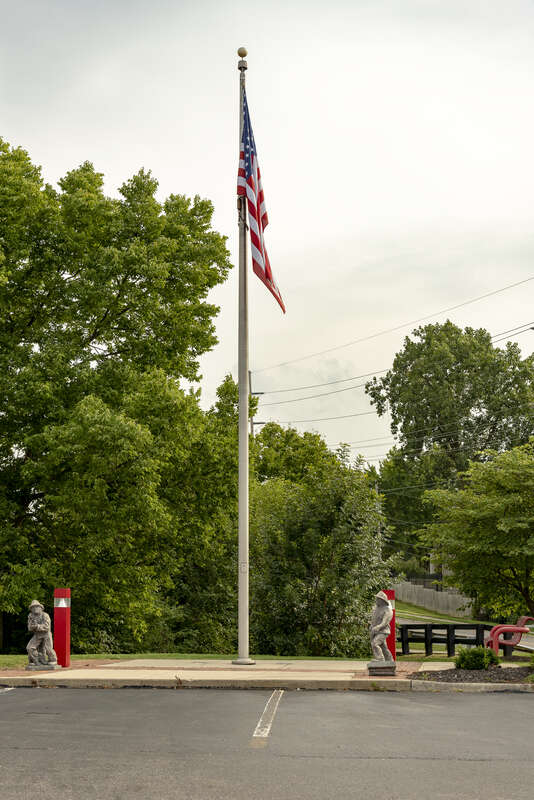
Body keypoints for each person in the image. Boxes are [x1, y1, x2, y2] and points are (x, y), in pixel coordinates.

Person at [26, 600, 58, 666]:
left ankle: (53, 660)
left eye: (36, 607)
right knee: (30, 647)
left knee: (48, 648)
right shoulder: (30, 616)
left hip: (46, 634)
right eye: (33, 607)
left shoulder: (45, 615)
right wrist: (34, 627)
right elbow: (29, 627)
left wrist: (36, 626)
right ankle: (36, 660)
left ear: (40, 608)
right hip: (37, 634)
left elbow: (46, 627)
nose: (35, 609)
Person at [369, 591, 393, 661]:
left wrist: (378, 627)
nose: (376, 600)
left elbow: (385, 622)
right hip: (375, 631)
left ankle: (380, 659)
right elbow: (374, 619)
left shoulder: (388, 610)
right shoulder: (376, 608)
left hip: (383, 631)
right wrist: (371, 625)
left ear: (382, 600)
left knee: (375, 643)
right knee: (384, 647)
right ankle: (390, 660)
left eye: (378, 599)